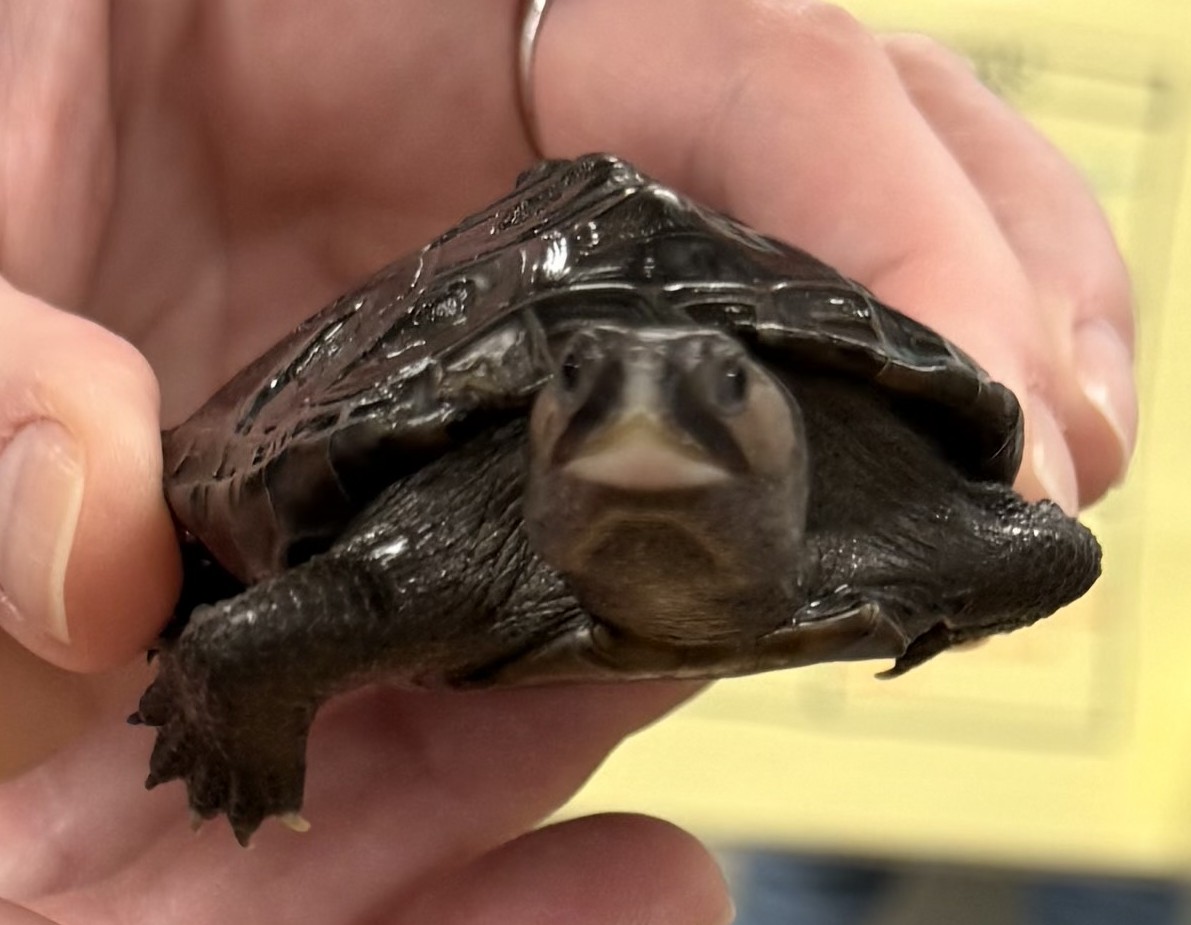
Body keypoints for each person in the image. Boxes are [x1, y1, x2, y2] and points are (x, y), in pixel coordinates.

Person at [0, 1, 1134, 922]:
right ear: (546, 423)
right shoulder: (437, 552)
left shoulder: (874, 487)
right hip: (466, 487)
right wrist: (230, 738)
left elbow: (1045, 548)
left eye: (719, 387)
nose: (647, 407)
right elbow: (237, 651)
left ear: (785, 426)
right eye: (588, 387)